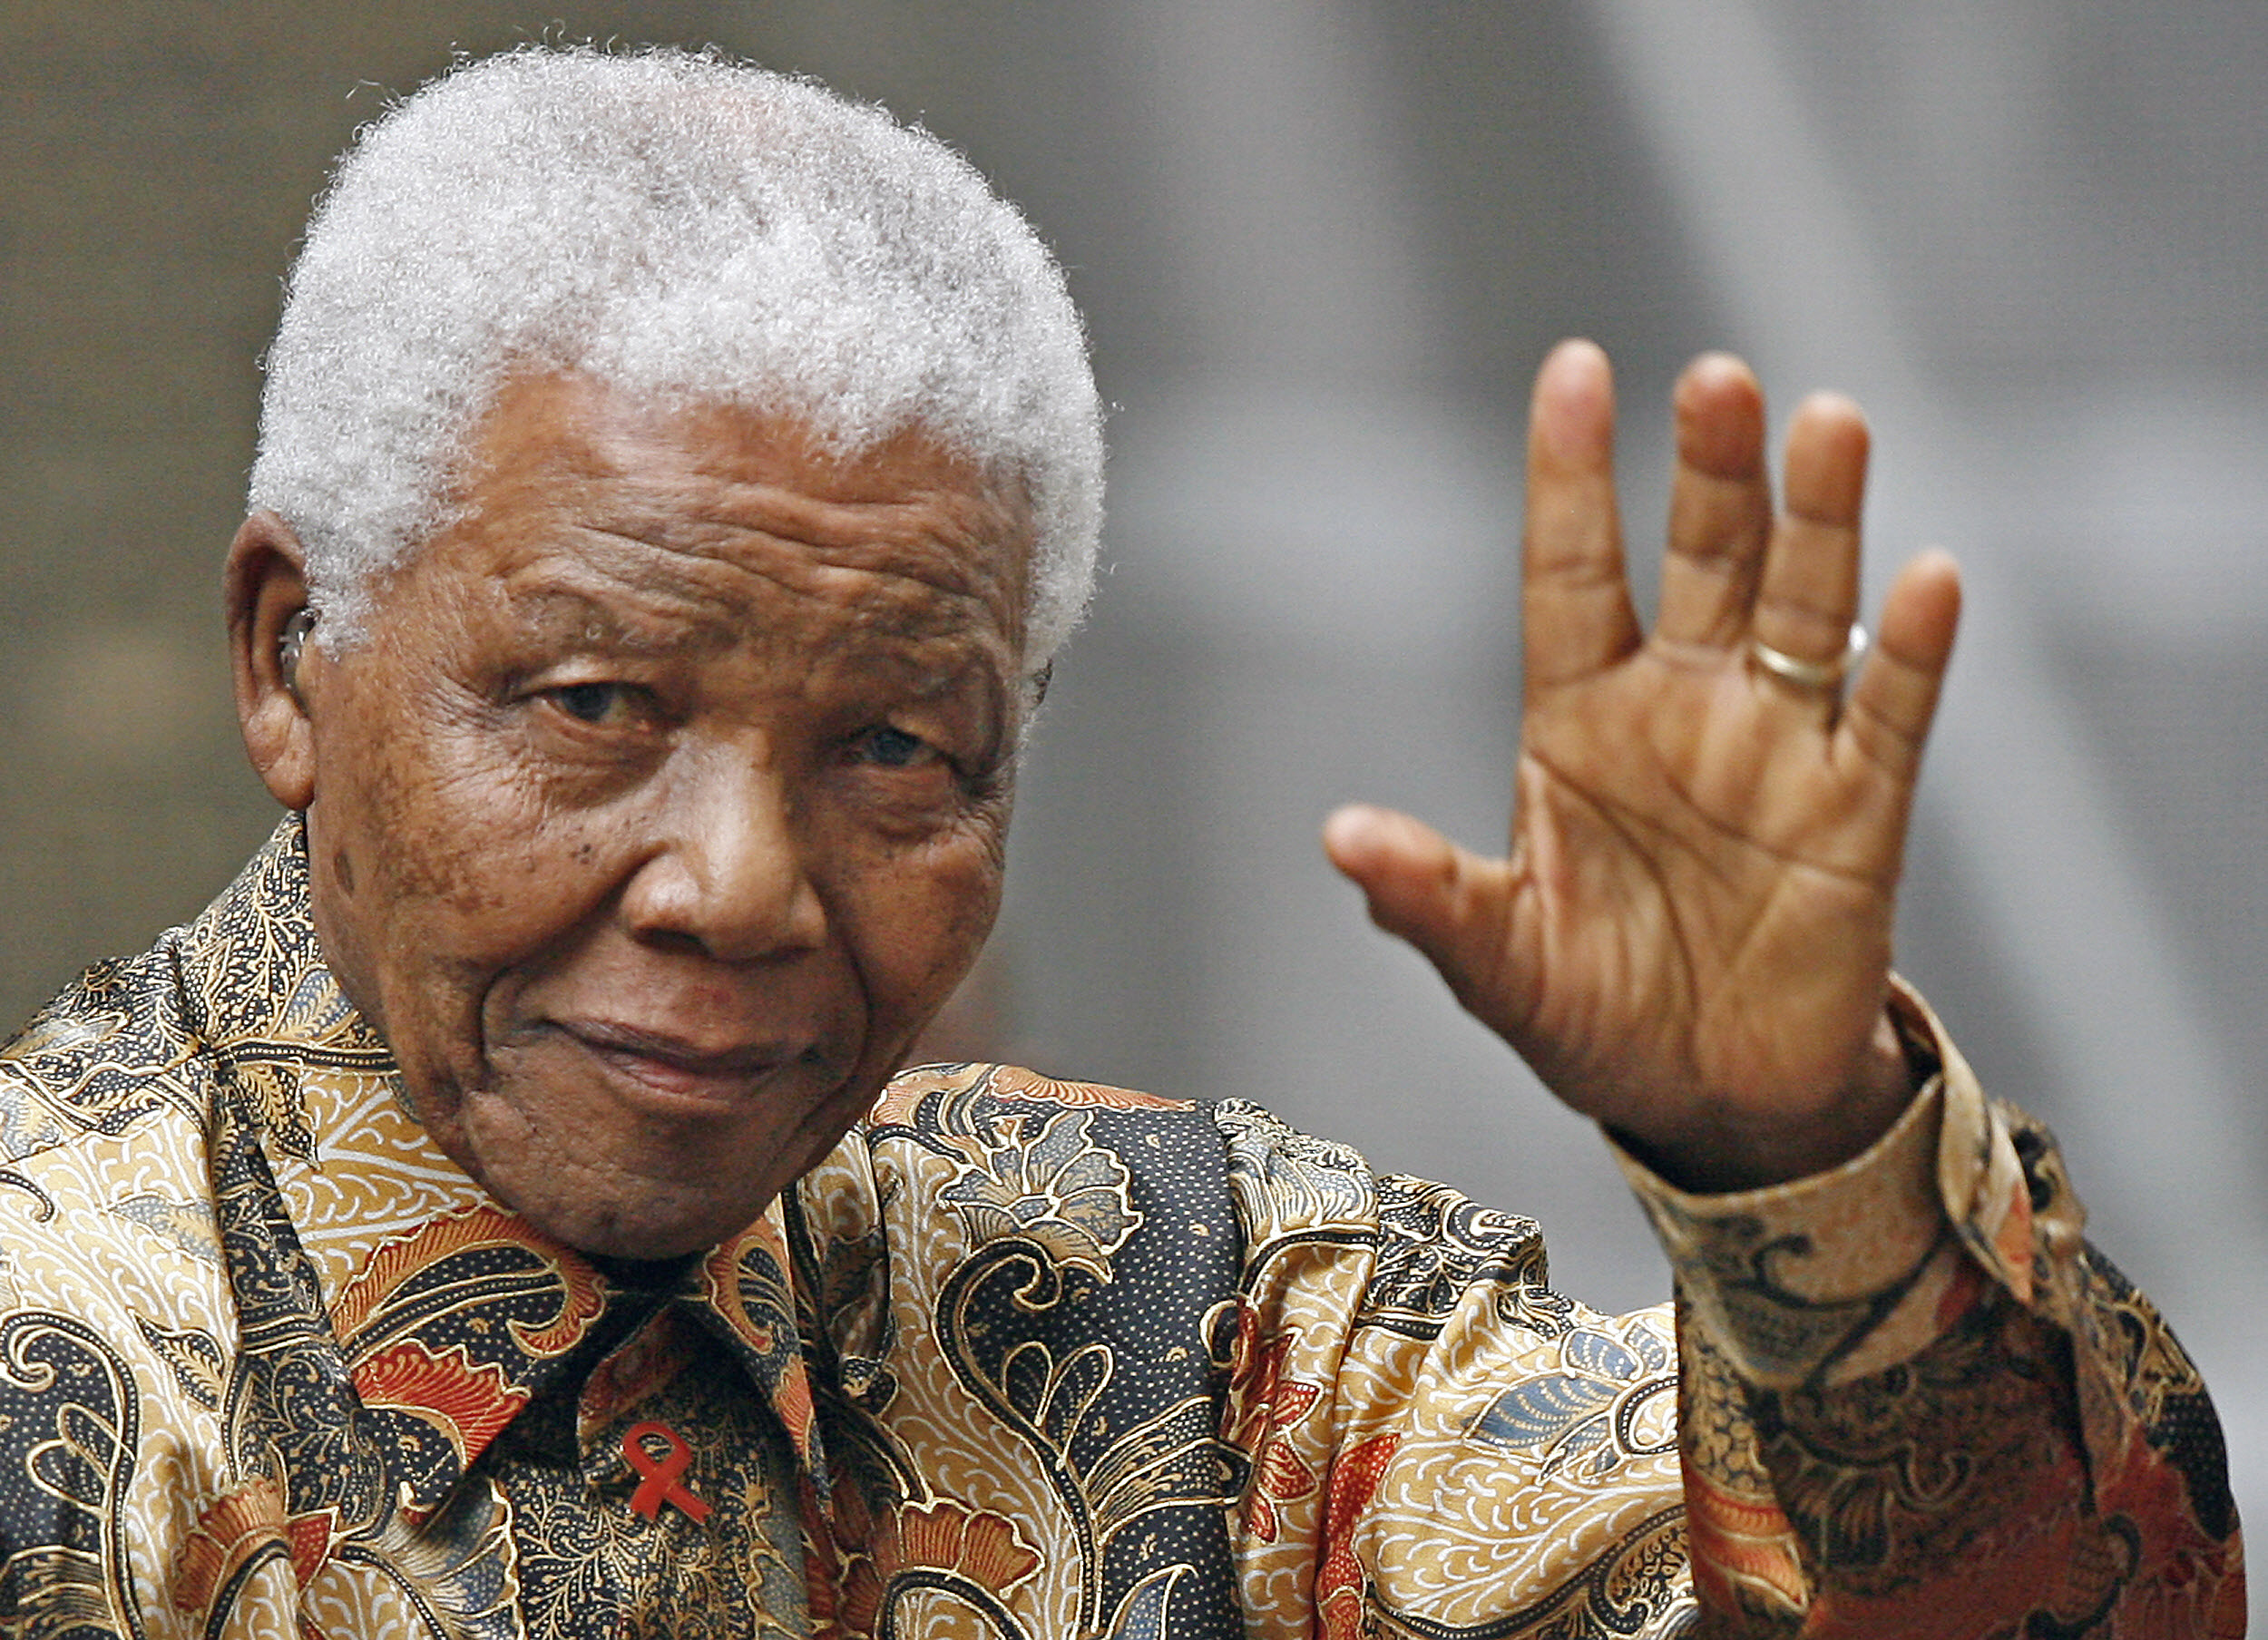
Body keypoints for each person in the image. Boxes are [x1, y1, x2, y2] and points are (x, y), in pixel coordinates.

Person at [0, 44, 2238, 1640]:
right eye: (596, 707)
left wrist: (1799, 1161)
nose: (743, 884)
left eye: (893, 750)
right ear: (293, 659)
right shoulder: (57, 1371)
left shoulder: (1183, 1330)